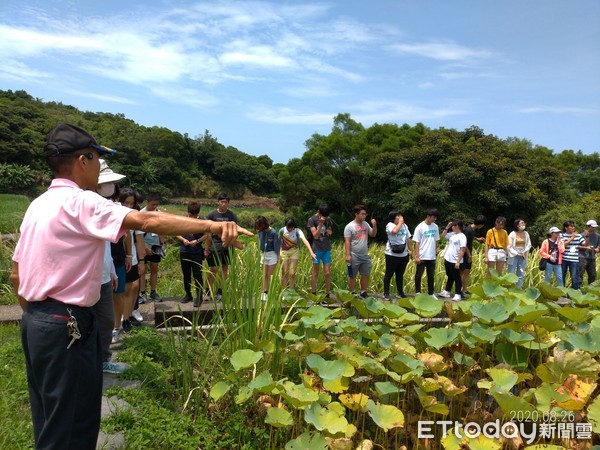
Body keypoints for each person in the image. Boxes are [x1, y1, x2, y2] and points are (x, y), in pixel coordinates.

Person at [9, 122, 252, 450]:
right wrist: (213, 225)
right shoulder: (81, 202)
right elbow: (148, 221)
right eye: (98, 160)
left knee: (50, 422)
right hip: (65, 324)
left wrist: (39, 316)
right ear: (84, 159)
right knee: (71, 428)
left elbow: (16, 274)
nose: (100, 168)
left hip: (36, 323)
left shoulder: (38, 205)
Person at [95, 160, 129, 373]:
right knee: (84, 325)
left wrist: (110, 272)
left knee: (106, 322)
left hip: (105, 277)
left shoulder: (106, 207)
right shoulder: (85, 206)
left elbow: (104, 246)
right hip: (85, 281)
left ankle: (102, 360)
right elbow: (147, 221)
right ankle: (88, 363)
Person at [205, 193, 238, 300]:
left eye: (226, 202)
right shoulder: (212, 215)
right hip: (215, 245)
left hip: (228, 246)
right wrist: (206, 248)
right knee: (213, 268)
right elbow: (207, 233)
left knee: (224, 268)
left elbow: (235, 230)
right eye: (222, 202)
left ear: (228, 203)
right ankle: (208, 291)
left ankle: (220, 291)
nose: (223, 204)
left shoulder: (232, 215)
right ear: (218, 202)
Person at [175, 201, 207, 307]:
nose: (192, 217)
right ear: (188, 212)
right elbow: (176, 233)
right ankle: (188, 294)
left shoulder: (202, 221)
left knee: (198, 275)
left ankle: (199, 296)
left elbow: (207, 235)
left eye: (195, 215)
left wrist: (197, 241)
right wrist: (183, 239)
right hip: (184, 250)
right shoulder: (183, 220)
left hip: (197, 251)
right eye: (191, 214)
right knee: (186, 274)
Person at [344, 204, 377, 298]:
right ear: (356, 214)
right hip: (354, 254)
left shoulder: (366, 224)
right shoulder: (349, 226)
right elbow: (347, 241)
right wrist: (347, 255)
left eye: (365, 214)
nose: (364, 216)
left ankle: (363, 292)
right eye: (362, 214)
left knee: (366, 274)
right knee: (352, 275)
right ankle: (352, 292)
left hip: (365, 254)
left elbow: (373, 234)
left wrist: (374, 226)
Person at [279, 218, 316, 291]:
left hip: (294, 251)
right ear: (285, 226)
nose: (289, 229)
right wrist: (277, 254)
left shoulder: (298, 231)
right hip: (284, 252)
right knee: (285, 272)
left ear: (294, 226)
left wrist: (311, 252)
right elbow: (279, 242)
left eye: (291, 228)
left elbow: (304, 240)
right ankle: (284, 291)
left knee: (292, 273)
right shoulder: (282, 231)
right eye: (288, 227)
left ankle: (291, 290)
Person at [139, 193, 164, 302]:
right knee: (142, 270)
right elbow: (137, 234)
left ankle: (153, 292)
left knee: (154, 268)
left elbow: (161, 229)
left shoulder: (158, 214)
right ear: (147, 202)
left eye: (156, 205)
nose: (155, 207)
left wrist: (162, 243)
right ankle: (142, 293)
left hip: (156, 244)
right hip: (143, 245)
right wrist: (144, 247)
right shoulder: (140, 214)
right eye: (153, 204)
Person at [383, 210, 412, 300]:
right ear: (393, 217)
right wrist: (400, 223)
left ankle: (400, 292)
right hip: (391, 254)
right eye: (398, 216)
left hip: (404, 254)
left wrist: (411, 250)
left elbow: (408, 238)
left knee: (400, 274)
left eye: (400, 215)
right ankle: (386, 293)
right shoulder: (390, 225)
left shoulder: (405, 226)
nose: (400, 217)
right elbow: (394, 231)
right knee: (389, 274)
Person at [413, 208, 440, 297]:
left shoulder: (435, 226)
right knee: (419, 274)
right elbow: (417, 242)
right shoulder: (420, 227)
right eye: (433, 217)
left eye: (435, 218)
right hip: (422, 255)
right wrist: (417, 256)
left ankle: (431, 293)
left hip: (432, 256)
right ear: (428, 216)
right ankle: (418, 292)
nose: (434, 219)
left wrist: (435, 252)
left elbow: (435, 240)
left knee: (431, 275)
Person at [307, 205, 333, 296]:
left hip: (326, 248)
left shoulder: (328, 219)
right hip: (316, 249)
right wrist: (321, 224)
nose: (325, 218)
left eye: (326, 216)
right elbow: (315, 236)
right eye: (323, 216)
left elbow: (330, 229)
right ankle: (314, 293)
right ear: (319, 212)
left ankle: (328, 293)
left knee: (327, 272)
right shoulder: (312, 220)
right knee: (315, 272)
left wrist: (330, 231)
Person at [439, 221, 467, 301]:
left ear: (457, 226)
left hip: (455, 260)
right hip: (448, 258)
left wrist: (458, 261)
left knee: (457, 277)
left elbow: (463, 249)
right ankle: (447, 291)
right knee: (450, 275)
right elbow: (443, 235)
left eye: (453, 226)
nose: (452, 227)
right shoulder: (453, 234)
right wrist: (447, 226)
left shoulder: (462, 236)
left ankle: (458, 293)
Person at [255, 216, 281, 300]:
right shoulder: (260, 232)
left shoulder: (273, 232)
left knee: (270, 275)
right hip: (263, 254)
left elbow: (276, 246)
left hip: (272, 254)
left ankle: (270, 292)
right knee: (265, 274)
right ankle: (265, 291)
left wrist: (278, 258)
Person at [460, 215, 486, 295]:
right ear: (481, 224)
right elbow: (465, 243)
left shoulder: (472, 229)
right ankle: (459, 290)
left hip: (468, 253)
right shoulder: (468, 230)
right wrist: (469, 256)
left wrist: (477, 239)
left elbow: (470, 237)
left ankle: (464, 289)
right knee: (462, 272)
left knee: (467, 271)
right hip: (464, 254)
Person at [507, 218, 532, 288]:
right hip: (514, 254)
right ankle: (510, 288)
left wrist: (524, 252)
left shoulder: (526, 234)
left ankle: (518, 287)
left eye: (524, 223)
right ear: (517, 225)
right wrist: (516, 253)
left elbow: (529, 244)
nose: (524, 224)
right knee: (511, 271)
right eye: (522, 223)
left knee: (521, 272)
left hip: (523, 254)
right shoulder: (512, 234)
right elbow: (509, 246)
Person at [560, 220, 585, 290]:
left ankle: (575, 292)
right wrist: (572, 238)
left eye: (573, 226)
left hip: (574, 260)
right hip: (564, 259)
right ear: (566, 228)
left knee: (574, 277)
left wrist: (587, 236)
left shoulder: (578, 236)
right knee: (562, 276)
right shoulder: (561, 235)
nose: (573, 228)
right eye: (571, 226)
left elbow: (585, 244)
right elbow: (563, 245)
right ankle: (562, 291)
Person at [579, 219, 600, 286]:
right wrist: (586, 248)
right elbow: (577, 246)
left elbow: (598, 246)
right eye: (593, 227)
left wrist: (597, 249)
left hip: (592, 257)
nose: (594, 228)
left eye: (595, 227)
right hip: (582, 257)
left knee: (592, 275)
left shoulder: (598, 236)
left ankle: (590, 290)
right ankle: (577, 289)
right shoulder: (581, 235)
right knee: (580, 274)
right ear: (588, 227)